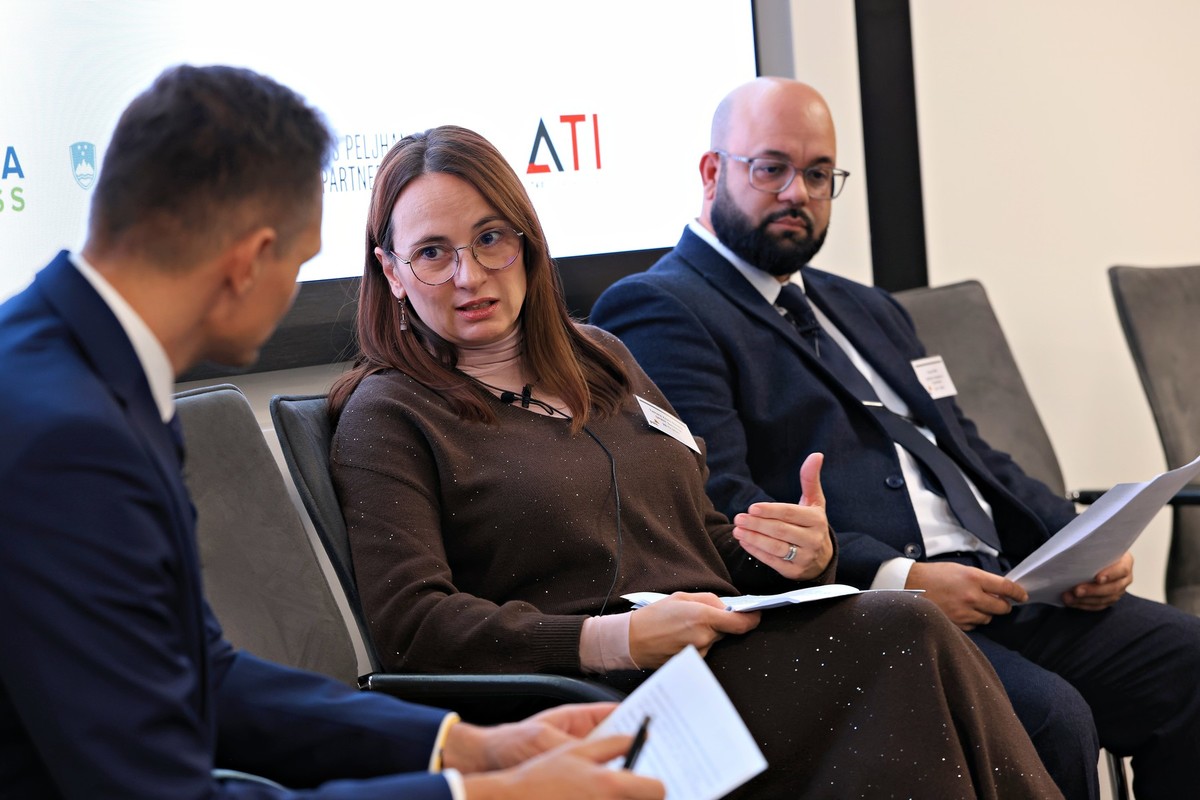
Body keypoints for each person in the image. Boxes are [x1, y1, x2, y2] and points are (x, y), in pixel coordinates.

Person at [327, 123, 1064, 799]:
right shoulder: (389, 413)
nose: (469, 274)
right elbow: (412, 625)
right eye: (433, 253)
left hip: (717, 653)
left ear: (527, 242)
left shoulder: (602, 360)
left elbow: (701, 537)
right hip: (595, 703)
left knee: (909, 632)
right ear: (391, 271)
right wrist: (610, 640)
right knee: (903, 638)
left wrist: (794, 557)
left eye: (490, 238)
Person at [0, 65, 666, 800]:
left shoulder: (81, 368)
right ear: (249, 260)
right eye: (298, 263)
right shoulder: (66, 441)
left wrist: (465, 747)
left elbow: (203, 675)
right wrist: (487, 795)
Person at [590, 75, 1200, 800]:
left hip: (1000, 585)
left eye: (819, 174)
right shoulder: (658, 306)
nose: (798, 193)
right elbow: (717, 501)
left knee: (1189, 660)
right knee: (1049, 717)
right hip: (866, 613)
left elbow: (969, 452)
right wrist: (898, 578)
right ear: (712, 171)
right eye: (772, 168)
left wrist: (1079, 539)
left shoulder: (865, 306)